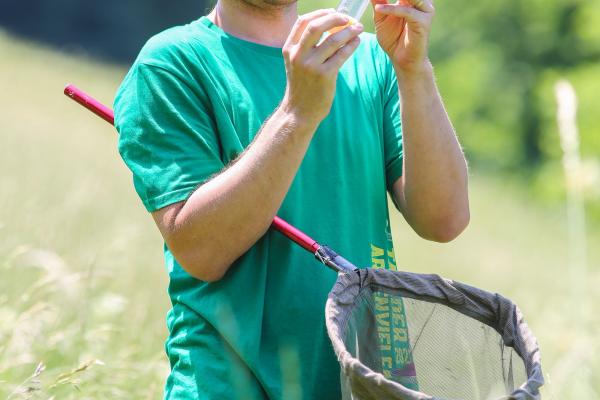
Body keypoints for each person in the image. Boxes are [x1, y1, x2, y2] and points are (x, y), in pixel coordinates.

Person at [113, 0, 469, 397]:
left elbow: (444, 219)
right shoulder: (172, 63)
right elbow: (201, 252)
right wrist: (297, 113)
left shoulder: (373, 60)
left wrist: (413, 70)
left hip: (365, 383)